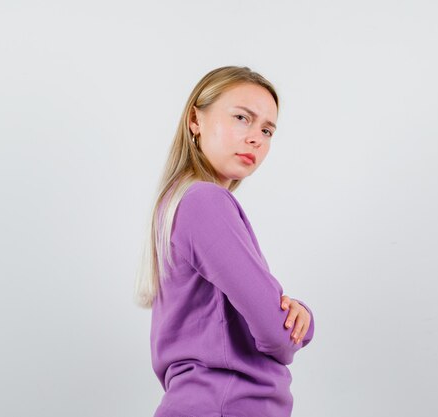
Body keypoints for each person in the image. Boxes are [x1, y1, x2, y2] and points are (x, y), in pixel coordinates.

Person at [133, 66, 315, 417]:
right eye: (241, 118)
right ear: (195, 120)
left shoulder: (178, 202)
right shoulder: (204, 203)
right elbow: (278, 335)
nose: (256, 138)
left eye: (267, 130)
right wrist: (304, 319)